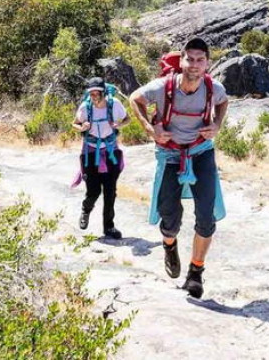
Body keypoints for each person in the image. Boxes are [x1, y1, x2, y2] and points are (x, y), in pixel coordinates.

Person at [129, 37, 228, 299]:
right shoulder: (163, 86)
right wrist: (150, 129)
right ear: (182, 60)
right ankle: (169, 244)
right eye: (190, 59)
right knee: (169, 216)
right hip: (171, 155)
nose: (194, 65)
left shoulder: (213, 88)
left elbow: (223, 101)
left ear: (207, 64)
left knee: (206, 216)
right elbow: (134, 99)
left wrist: (217, 125)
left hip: (201, 152)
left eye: (200, 60)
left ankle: (196, 273)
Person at [73, 77, 129, 240]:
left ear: (104, 92)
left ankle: (109, 227)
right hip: (91, 153)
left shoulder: (114, 104)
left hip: (110, 151)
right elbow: (75, 123)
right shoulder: (86, 107)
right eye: (92, 93)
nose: (95, 96)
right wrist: (81, 127)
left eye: (97, 92)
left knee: (110, 192)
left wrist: (119, 125)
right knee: (94, 191)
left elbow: (127, 119)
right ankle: (86, 209)